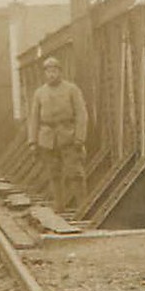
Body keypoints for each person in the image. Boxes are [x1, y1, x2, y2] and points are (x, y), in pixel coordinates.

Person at [28, 56, 88, 208]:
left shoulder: (71, 89)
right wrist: (33, 142)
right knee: (53, 174)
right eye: (48, 71)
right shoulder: (39, 93)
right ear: (44, 74)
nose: (51, 74)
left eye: (54, 71)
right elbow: (34, 118)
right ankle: (59, 206)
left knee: (75, 174)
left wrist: (80, 138)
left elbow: (81, 114)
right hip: (47, 139)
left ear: (60, 72)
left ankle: (82, 206)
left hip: (68, 136)